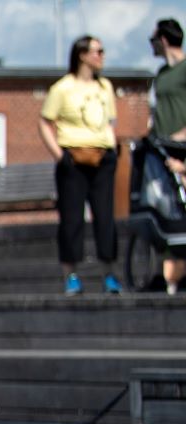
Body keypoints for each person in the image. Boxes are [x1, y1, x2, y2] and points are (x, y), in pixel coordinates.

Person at [42, 35, 123, 293]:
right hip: (73, 159)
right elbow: (44, 122)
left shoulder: (105, 87)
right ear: (82, 55)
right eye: (97, 51)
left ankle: (109, 274)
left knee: (105, 216)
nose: (101, 56)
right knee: (72, 218)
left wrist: (112, 145)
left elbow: (110, 120)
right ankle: (71, 276)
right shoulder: (62, 88)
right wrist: (59, 155)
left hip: (102, 157)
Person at [152, 18, 186, 294]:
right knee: (167, 213)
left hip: (182, 147)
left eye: (153, 39)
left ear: (163, 39)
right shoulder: (161, 73)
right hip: (163, 149)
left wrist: (180, 135)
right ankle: (168, 277)